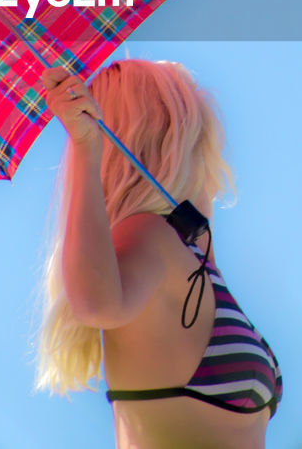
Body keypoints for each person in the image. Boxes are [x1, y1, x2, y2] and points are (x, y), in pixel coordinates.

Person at [33, 59, 283, 449]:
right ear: (174, 140)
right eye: (197, 126)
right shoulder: (150, 235)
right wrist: (86, 146)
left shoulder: (189, 252)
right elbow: (97, 305)